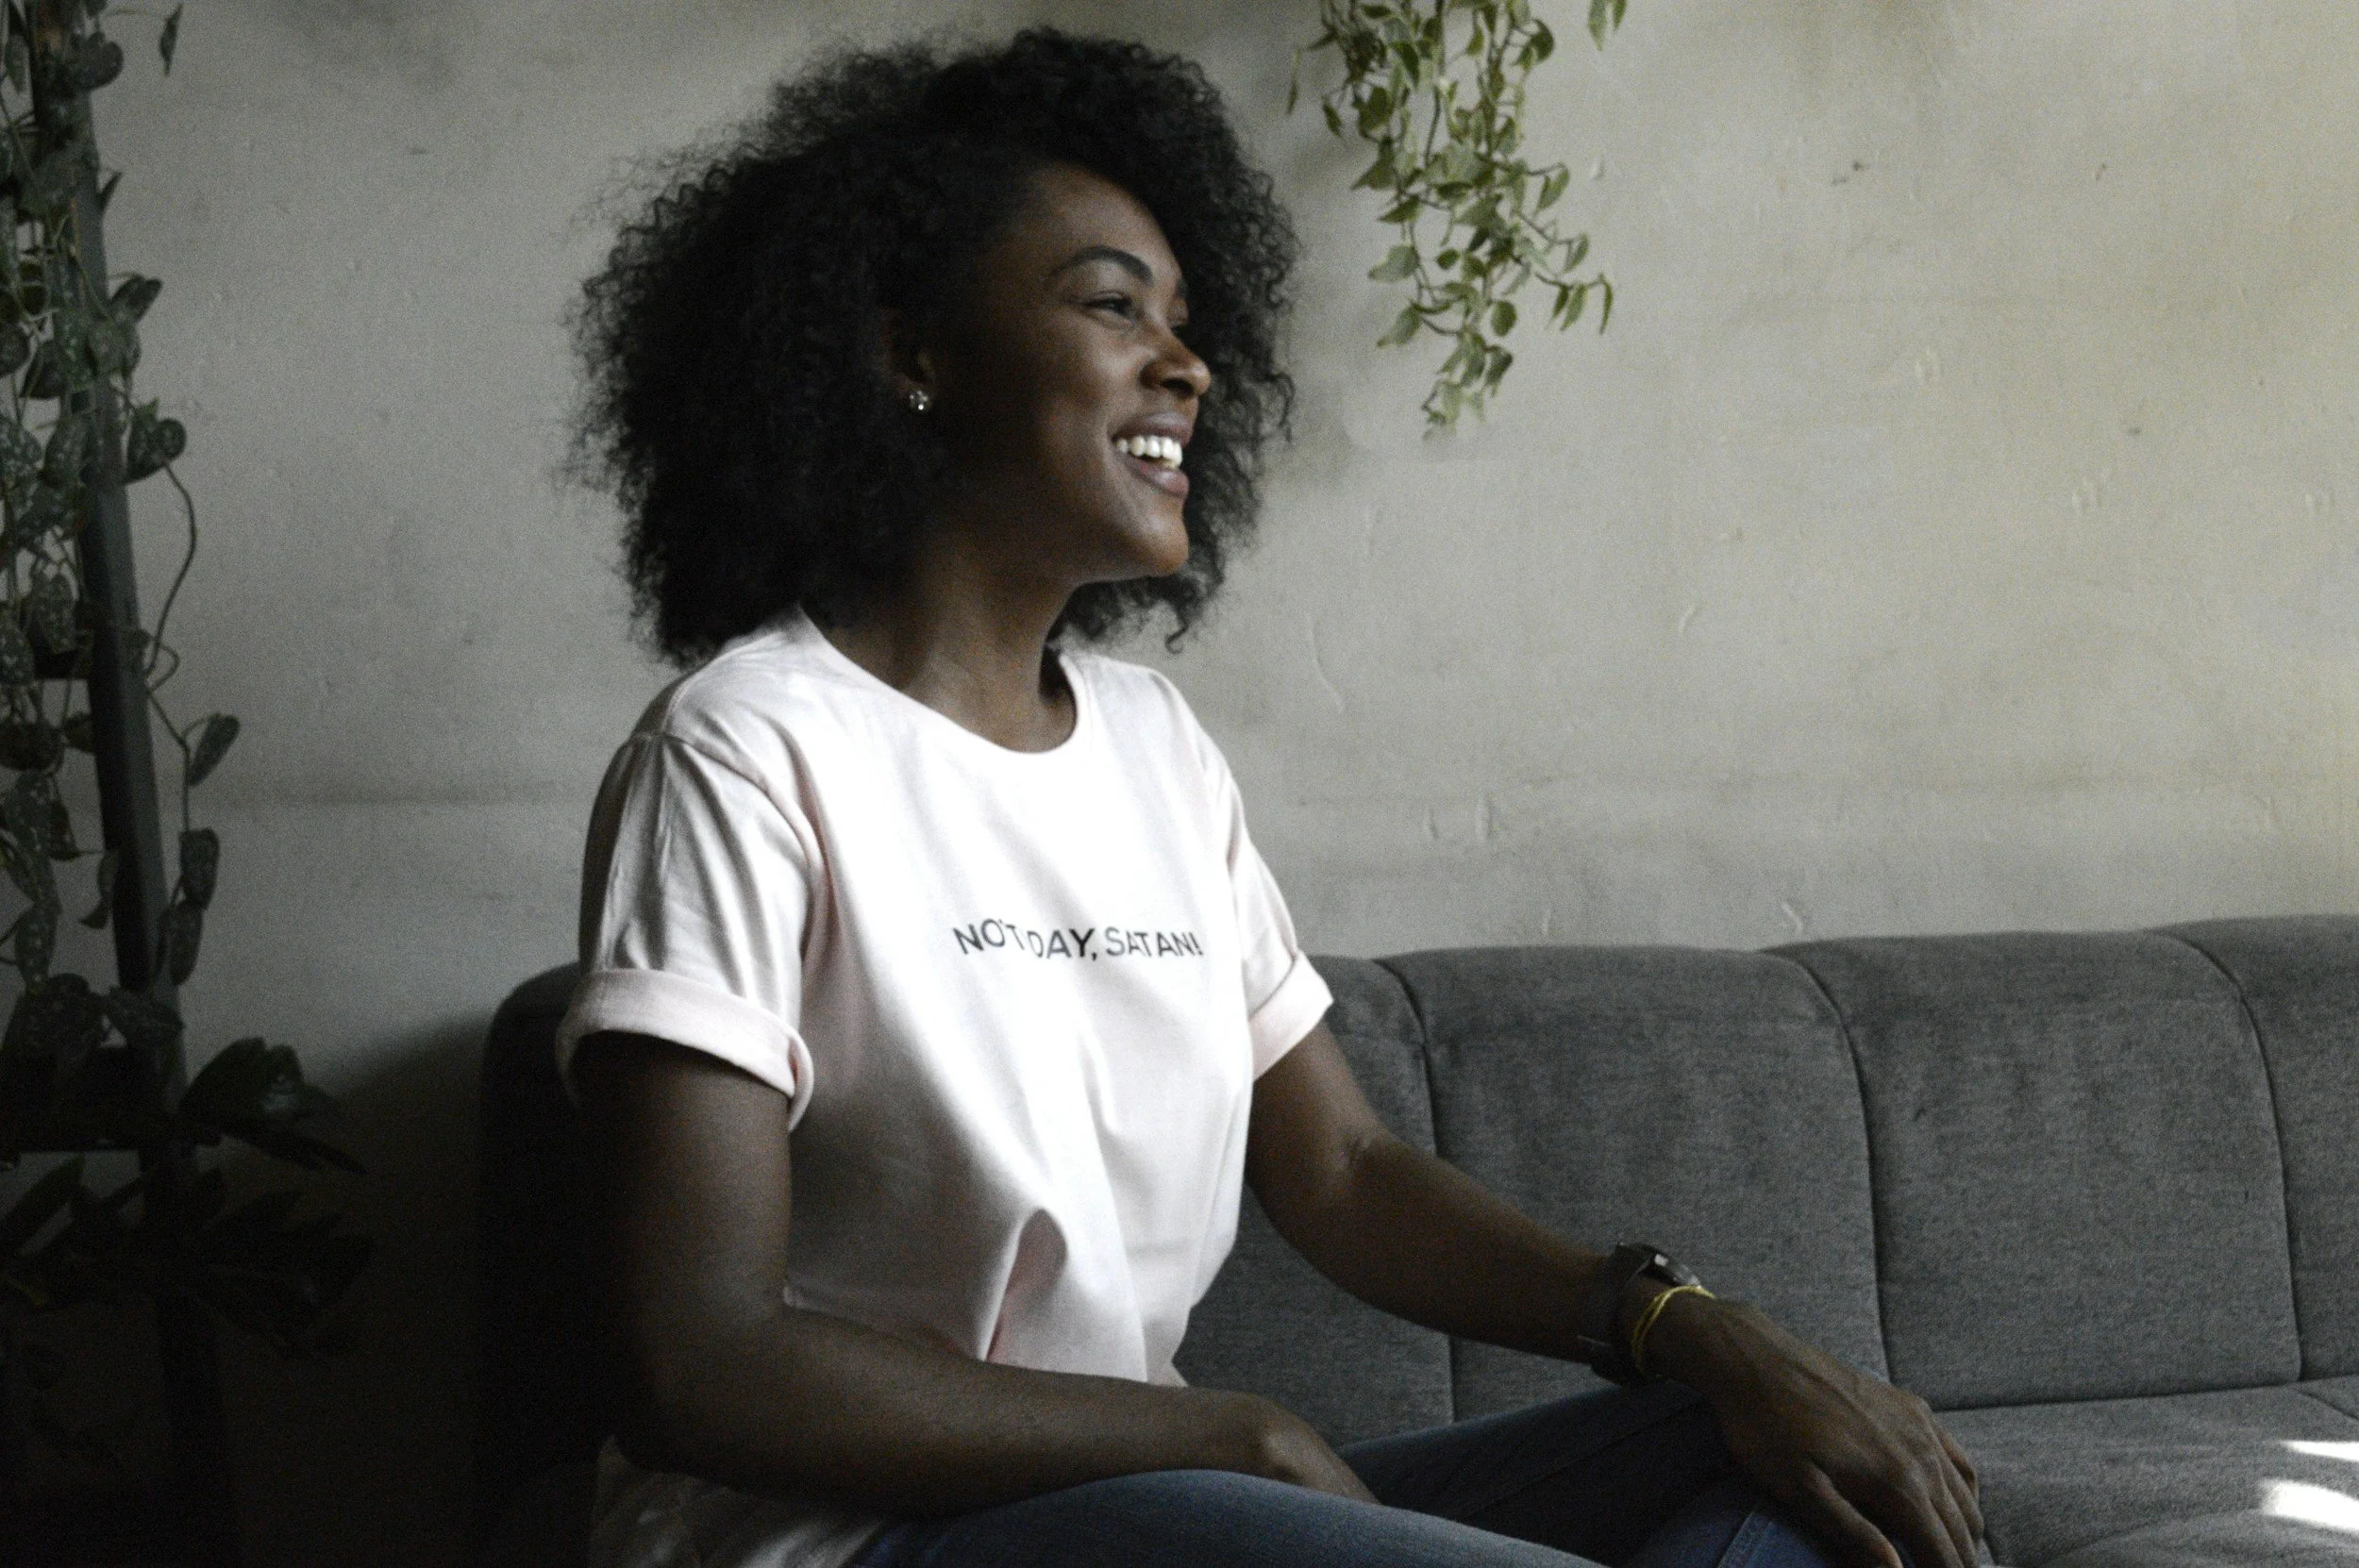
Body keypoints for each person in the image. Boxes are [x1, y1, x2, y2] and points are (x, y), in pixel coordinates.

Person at [560, 28, 1983, 1568]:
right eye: (1113, 305)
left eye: (1186, 318)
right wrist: (1227, 1429)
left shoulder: (1154, 746)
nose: (1189, 361)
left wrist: (1685, 1323)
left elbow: (1350, 1174)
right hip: (848, 1538)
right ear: (913, 355)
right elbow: (698, 1364)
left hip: (1143, 1507)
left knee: (1805, 1469)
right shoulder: (745, 753)